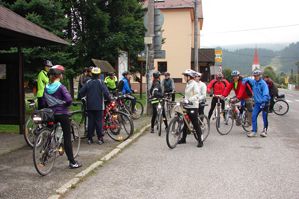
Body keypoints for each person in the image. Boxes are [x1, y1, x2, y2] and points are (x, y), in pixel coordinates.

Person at [40, 65, 82, 169]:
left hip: (51, 114)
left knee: (50, 133)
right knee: (67, 137)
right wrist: (64, 106)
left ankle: (44, 156)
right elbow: (69, 100)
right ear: (60, 75)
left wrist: (52, 104)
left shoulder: (46, 87)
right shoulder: (61, 87)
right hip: (62, 114)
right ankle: (72, 162)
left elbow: (44, 102)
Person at [78, 67, 111, 144]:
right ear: (99, 75)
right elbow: (106, 92)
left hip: (89, 105)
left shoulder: (88, 82)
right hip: (99, 106)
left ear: (92, 74)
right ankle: (100, 138)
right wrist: (108, 99)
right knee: (99, 122)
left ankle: (90, 138)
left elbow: (81, 91)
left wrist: (80, 97)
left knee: (91, 122)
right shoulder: (100, 82)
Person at [178, 69, 203, 148]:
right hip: (187, 106)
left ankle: (200, 140)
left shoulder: (194, 84)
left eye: (185, 76)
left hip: (193, 106)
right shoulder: (188, 84)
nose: (184, 78)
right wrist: (184, 101)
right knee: (186, 122)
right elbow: (187, 95)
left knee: (195, 123)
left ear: (189, 77)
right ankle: (183, 139)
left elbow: (197, 95)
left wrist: (189, 100)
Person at [242, 70, 271, 137]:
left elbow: (266, 94)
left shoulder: (263, 84)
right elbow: (248, 79)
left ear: (260, 76)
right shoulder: (254, 82)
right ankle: (254, 131)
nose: (256, 77)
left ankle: (265, 131)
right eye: (255, 76)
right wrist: (244, 80)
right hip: (257, 103)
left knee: (264, 117)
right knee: (253, 116)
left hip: (264, 102)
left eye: (258, 76)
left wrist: (264, 102)